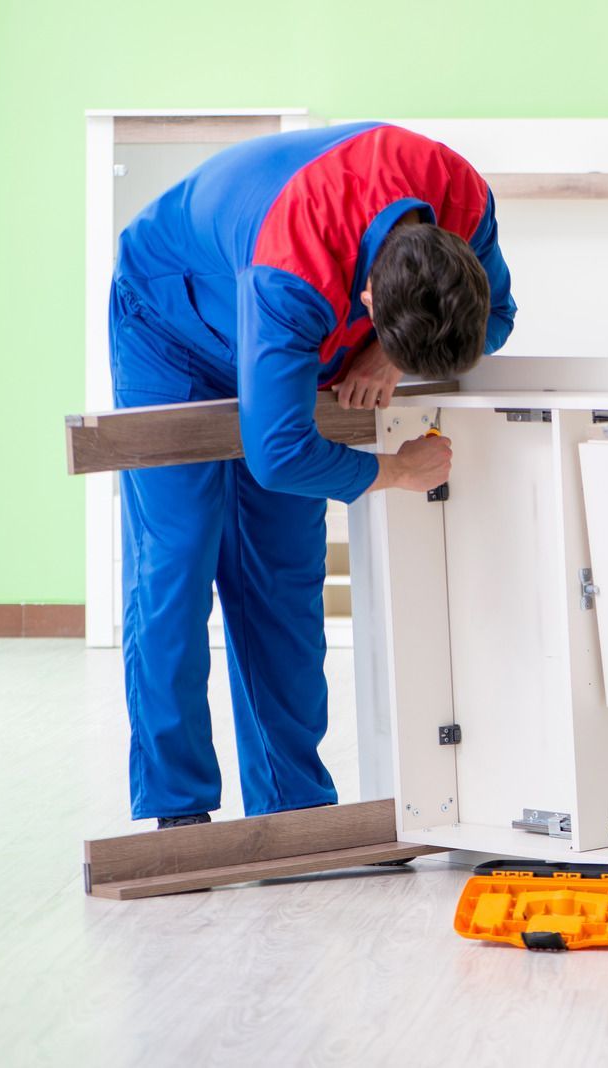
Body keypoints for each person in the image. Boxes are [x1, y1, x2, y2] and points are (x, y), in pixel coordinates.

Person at [109, 122, 515, 828]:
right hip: (168, 325)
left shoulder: (465, 202)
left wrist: (388, 359)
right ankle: (178, 815)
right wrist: (394, 471)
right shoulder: (293, 270)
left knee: (282, 576)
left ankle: (293, 810)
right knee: (177, 560)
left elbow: (498, 317)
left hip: (294, 323)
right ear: (366, 304)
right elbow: (278, 452)